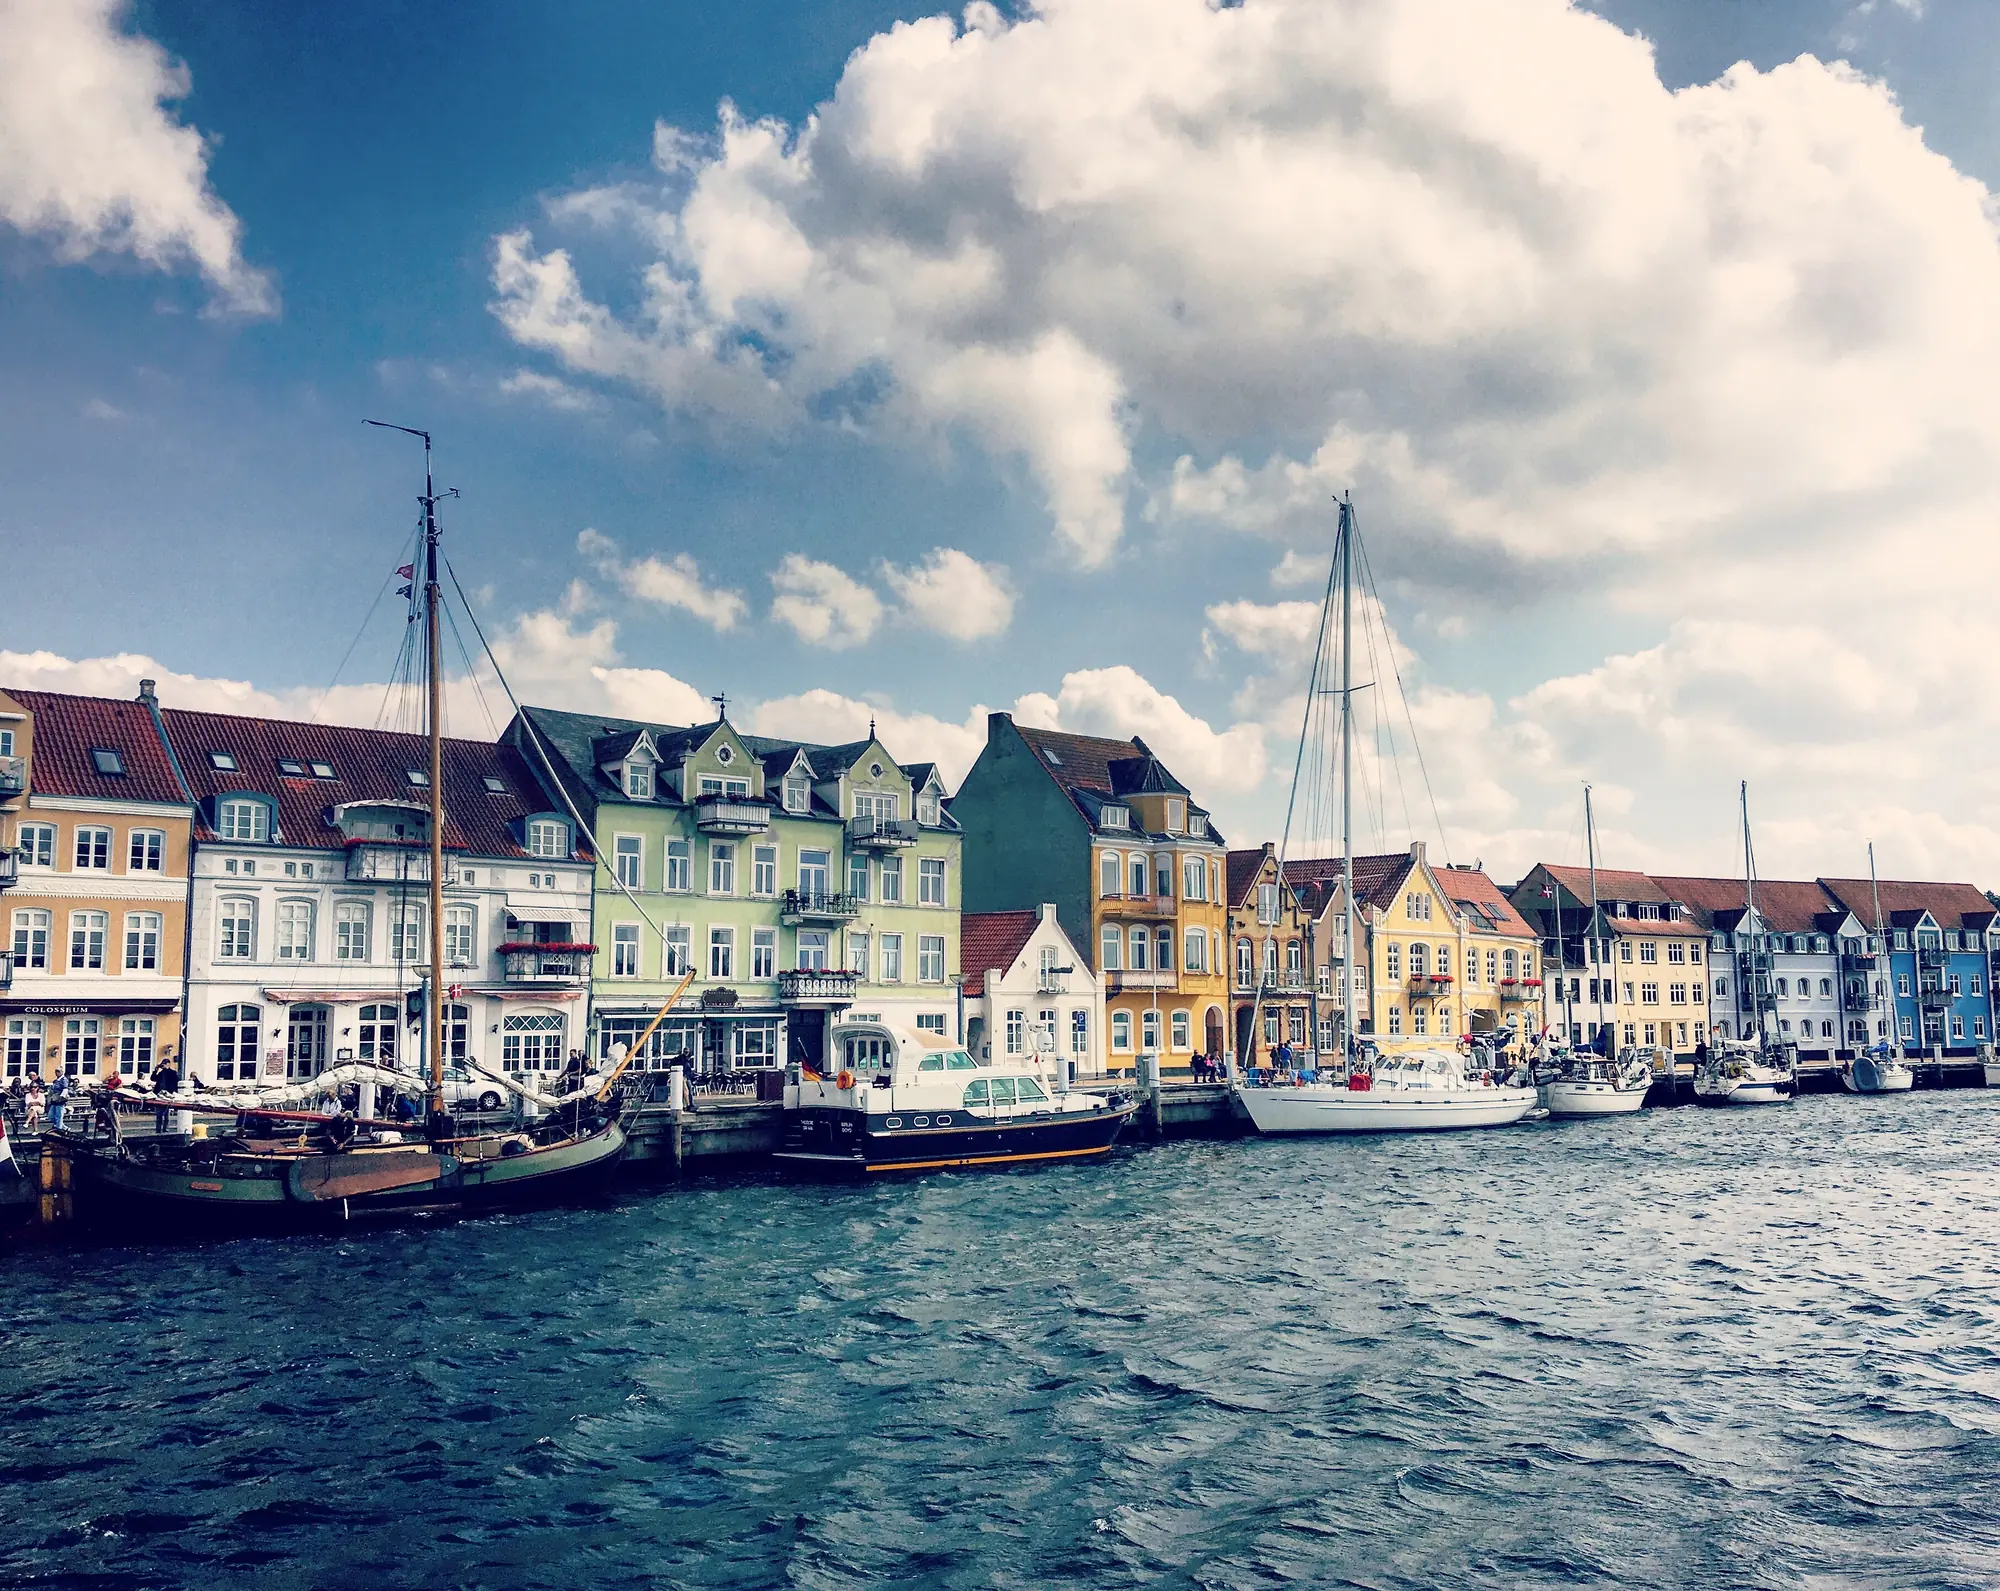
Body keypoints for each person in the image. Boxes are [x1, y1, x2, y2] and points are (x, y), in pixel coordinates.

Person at [152, 1056, 181, 1133]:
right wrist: (155, 1070)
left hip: (168, 1094)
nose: (163, 1065)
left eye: (165, 1064)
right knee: (159, 1113)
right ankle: (158, 1128)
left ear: (168, 1064)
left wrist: (174, 1093)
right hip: (159, 1093)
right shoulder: (160, 1073)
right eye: (163, 1064)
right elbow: (153, 1078)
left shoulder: (172, 1073)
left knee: (166, 1112)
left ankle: (165, 1128)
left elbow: (176, 1083)